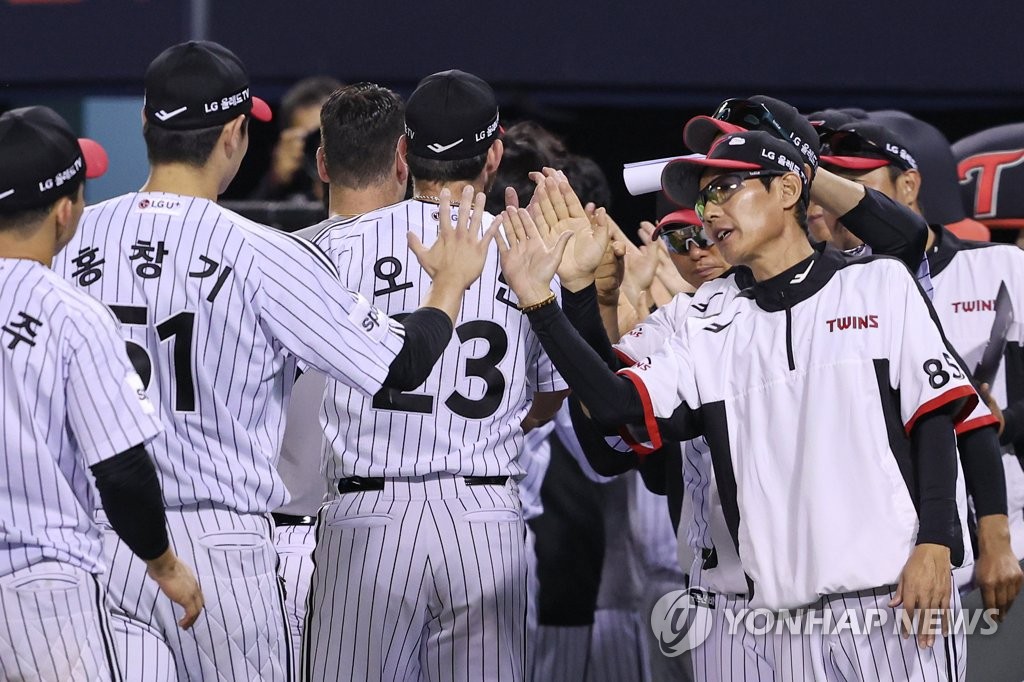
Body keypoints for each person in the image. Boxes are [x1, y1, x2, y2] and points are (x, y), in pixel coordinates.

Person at [52, 43, 497, 682]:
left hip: (102, 540)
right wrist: (448, 287)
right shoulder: (265, 253)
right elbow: (400, 365)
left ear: (146, 124)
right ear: (235, 134)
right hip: (221, 548)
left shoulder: (72, 239)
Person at [501, 131, 972, 680]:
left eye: (726, 188)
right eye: (703, 200)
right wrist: (556, 300)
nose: (709, 213)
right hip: (773, 623)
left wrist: (938, 540)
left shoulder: (878, 284)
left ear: (790, 188)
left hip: (891, 604)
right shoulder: (702, 324)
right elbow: (613, 408)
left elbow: (934, 417)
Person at [304, 69, 568, 682]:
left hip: (369, 512)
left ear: (402, 152)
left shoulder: (335, 247)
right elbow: (551, 396)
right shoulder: (529, 246)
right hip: (483, 512)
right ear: (494, 154)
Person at [0, 106, 203, 681]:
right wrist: (162, 563)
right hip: (41, 591)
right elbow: (121, 470)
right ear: (65, 212)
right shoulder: (69, 312)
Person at [819, 119, 1024, 606]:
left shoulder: (1003, 268)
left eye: (854, 186)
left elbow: (981, 417)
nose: (838, 205)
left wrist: (1007, 421)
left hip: (1011, 529)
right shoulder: (832, 290)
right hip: (895, 552)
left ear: (908, 185)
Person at [274, 81, 409, 677]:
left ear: (322, 162)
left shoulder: (273, 257)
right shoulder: (450, 253)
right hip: (418, 516)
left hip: (283, 538)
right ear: (402, 156)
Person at [251, 75, 343, 202]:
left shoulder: (373, 185)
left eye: (331, 135)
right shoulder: (290, 199)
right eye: (314, 137)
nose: (322, 148)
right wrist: (274, 181)